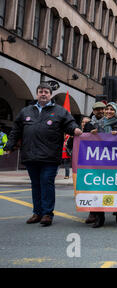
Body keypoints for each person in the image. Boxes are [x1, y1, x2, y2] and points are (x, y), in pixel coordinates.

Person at [4, 83, 82, 226]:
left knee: (46, 183)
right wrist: (9, 146)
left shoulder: (60, 111)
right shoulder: (26, 111)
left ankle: (47, 214)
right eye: (41, 91)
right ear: (37, 94)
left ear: (51, 95)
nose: (43, 94)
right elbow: (16, 130)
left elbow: (70, 124)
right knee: (36, 185)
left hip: (50, 156)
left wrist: (75, 130)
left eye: (46, 92)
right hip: (31, 155)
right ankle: (37, 213)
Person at [89, 102, 117, 228]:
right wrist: (91, 133)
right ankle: (99, 217)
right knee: (99, 188)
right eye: (107, 109)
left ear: (116, 111)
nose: (108, 111)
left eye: (112, 109)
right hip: (100, 160)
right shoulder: (98, 124)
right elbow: (87, 136)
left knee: (116, 187)